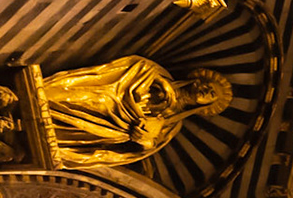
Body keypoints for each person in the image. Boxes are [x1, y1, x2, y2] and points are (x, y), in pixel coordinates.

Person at [39, 57, 232, 167]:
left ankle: (54, 134)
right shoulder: (161, 74)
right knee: (99, 101)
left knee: (115, 136)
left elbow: (149, 146)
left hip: (121, 125)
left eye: (211, 94)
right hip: (115, 96)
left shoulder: (173, 124)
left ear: (206, 106)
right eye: (208, 86)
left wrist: (144, 136)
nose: (206, 91)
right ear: (198, 81)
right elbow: (134, 71)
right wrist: (146, 90)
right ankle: (43, 100)